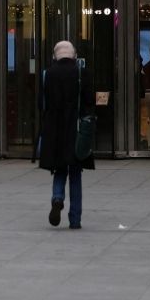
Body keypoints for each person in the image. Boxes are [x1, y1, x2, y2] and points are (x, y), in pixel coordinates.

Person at [38, 40, 95, 229]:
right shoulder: (81, 73)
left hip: (56, 129)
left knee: (60, 168)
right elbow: (89, 101)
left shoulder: (48, 74)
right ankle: (75, 219)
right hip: (76, 129)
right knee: (76, 173)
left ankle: (57, 198)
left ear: (55, 55)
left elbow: (43, 102)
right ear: (73, 55)